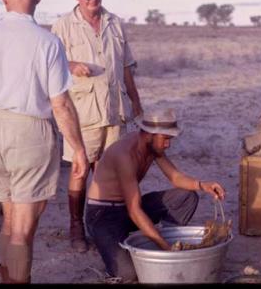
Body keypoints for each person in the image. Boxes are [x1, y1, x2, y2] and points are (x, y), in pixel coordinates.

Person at [0, 0, 89, 284]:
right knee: (22, 232)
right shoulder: (47, 41)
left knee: (9, 222)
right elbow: (61, 104)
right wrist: (79, 149)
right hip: (30, 132)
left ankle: (5, 279)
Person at [51, 0, 143, 253]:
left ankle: (106, 225)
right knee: (80, 169)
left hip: (115, 111)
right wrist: (71, 65)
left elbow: (126, 66)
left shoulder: (115, 22)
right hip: (83, 113)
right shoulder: (62, 25)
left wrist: (136, 100)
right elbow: (50, 64)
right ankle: (76, 227)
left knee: (111, 171)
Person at [84, 108, 226, 282]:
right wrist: (166, 249)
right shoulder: (125, 155)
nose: (168, 144)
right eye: (165, 139)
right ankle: (157, 244)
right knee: (129, 274)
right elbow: (134, 211)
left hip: (127, 208)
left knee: (187, 196)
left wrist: (202, 185)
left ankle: (157, 241)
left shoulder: (152, 147)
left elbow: (175, 177)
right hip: (103, 215)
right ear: (149, 134)